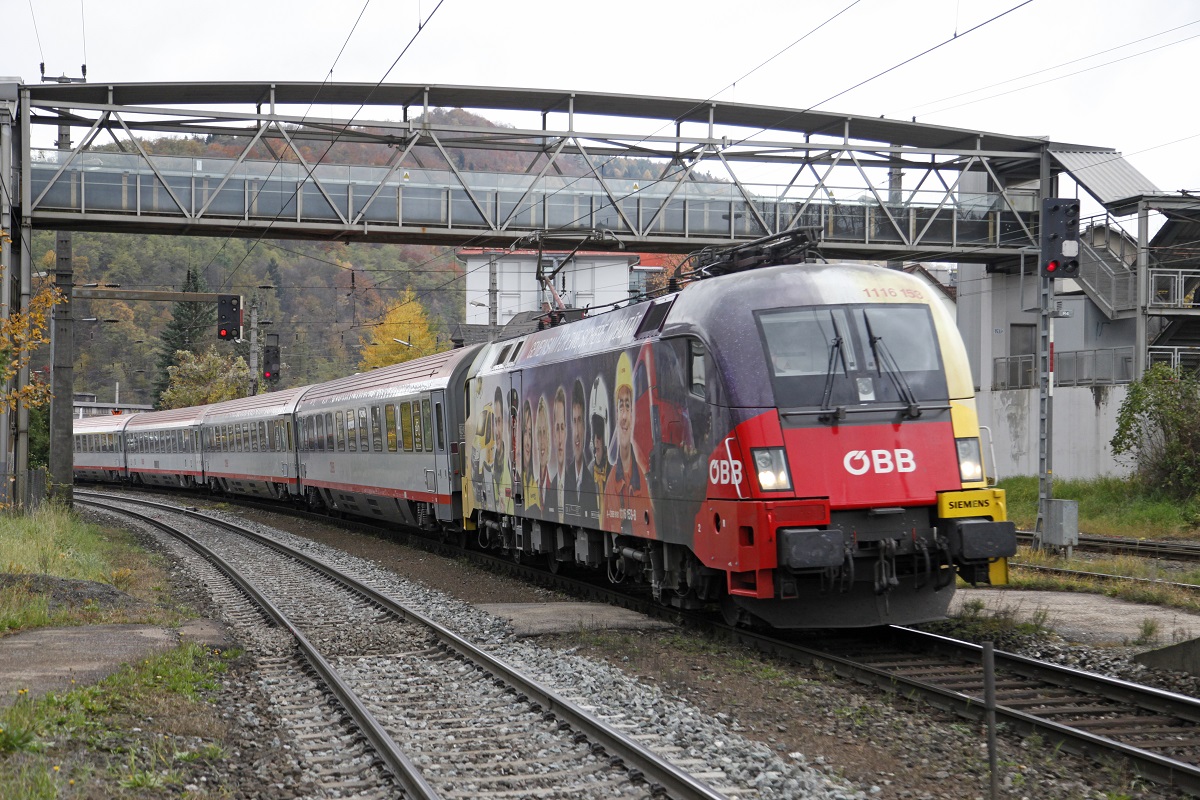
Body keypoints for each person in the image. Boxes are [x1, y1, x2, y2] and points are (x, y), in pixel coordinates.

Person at [604, 351, 655, 537]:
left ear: (633, 413)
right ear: (615, 414)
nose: (624, 416)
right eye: (620, 406)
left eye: (628, 406)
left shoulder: (642, 481)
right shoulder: (611, 483)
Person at [566, 379, 597, 521]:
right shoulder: (563, 479)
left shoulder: (594, 480)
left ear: (585, 427)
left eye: (580, 421)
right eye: (574, 421)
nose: (577, 432)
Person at [535, 395, 555, 518]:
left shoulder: (554, 485)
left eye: (544, 433)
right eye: (539, 433)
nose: (542, 441)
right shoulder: (534, 485)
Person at [551, 386, 568, 522]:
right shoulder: (550, 486)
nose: (560, 437)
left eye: (563, 427)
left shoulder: (577, 483)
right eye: (557, 428)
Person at [521, 399, 540, 515]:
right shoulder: (519, 476)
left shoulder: (538, 483)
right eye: (525, 433)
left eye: (530, 433)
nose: (528, 442)